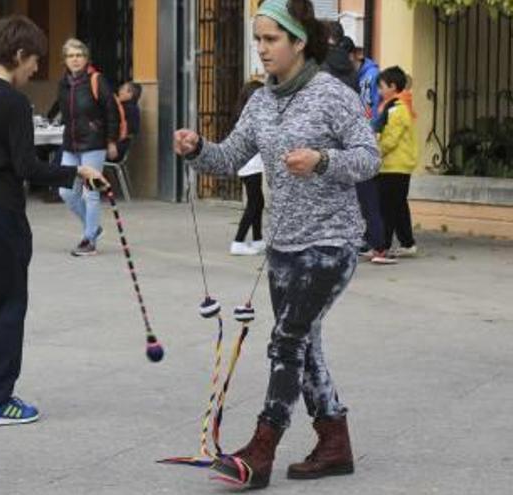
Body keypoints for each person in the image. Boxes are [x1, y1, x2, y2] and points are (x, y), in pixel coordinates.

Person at [174, 0, 380, 488]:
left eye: (270, 40)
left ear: (298, 42)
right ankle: (335, 442)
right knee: (304, 345)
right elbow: (229, 159)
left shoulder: (332, 95)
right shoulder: (261, 101)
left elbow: (369, 157)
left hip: (333, 242)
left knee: (286, 340)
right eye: (258, 39)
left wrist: (322, 160)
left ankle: (261, 449)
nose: (261, 49)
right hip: (282, 245)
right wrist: (197, 148)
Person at [0, 16, 104, 426]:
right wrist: (76, 172)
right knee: (10, 303)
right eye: (34, 61)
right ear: (19, 55)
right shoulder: (15, 103)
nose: (37, 70)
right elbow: (25, 166)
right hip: (1, 209)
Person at [54, 38, 120, 256]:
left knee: (90, 193)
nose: (75, 60)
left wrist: (111, 140)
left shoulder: (96, 80)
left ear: (86, 58)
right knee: (65, 192)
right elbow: (62, 111)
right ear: (65, 59)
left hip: (93, 143)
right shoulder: (63, 83)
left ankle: (89, 239)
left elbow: (111, 111)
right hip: (71, 144)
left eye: (79, 55)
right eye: (70, 56)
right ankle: (93, 227)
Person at [375, 66, 418, 258]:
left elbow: (390, 138)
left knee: (387, 208)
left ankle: (382, 245)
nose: (379, 91)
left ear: (392, 86)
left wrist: (376, 152)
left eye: (381, 86)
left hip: (393, 166)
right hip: (397, 165)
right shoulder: (397, 107)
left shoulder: (396, 109)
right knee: (398, 206)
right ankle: (407, 243)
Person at [230, 80, 267, 256]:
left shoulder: (243, 113)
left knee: (258, 202)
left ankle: (258, 239)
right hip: (249, 165)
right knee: (254, 203)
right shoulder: (249, 116)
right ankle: (238, 241)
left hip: (251, 164)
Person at [113, 81, 142, 160]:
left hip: (115, 148)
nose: (119, 91)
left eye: (122, 89)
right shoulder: (133, 108)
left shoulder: (127, 109)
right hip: (119, 148)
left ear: (130, 94)